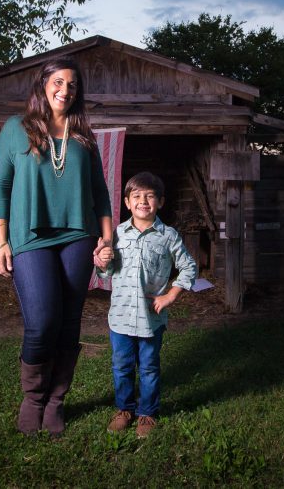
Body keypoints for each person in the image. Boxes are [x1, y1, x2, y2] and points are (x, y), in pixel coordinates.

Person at [0, 56, 114, 436]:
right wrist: (1, 242)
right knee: (42, 321)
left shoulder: (83, 135)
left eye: (72, 85)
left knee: (68, 323)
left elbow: (99, 193)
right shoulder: (16, 128)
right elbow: (0, 187)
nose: (65, 90)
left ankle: (56, 401)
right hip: (30, 237)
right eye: (58, 82)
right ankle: (34, 398)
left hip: (78, 236)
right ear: (43, 86)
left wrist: (107, 238)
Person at [94, 171, 197, 438]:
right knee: (122, 365)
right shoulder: (116, 234)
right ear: (127, 202)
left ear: (160, 202)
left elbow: (189, 267)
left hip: (151, 318)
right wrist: (102, 262)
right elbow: (106, 274)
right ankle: (124, 410)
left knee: (149, 367)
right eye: (136, 196)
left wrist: (171, 295)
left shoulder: (168, 236)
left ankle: (147, 413)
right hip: (120, 318)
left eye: (150, 196)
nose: (143, 201)